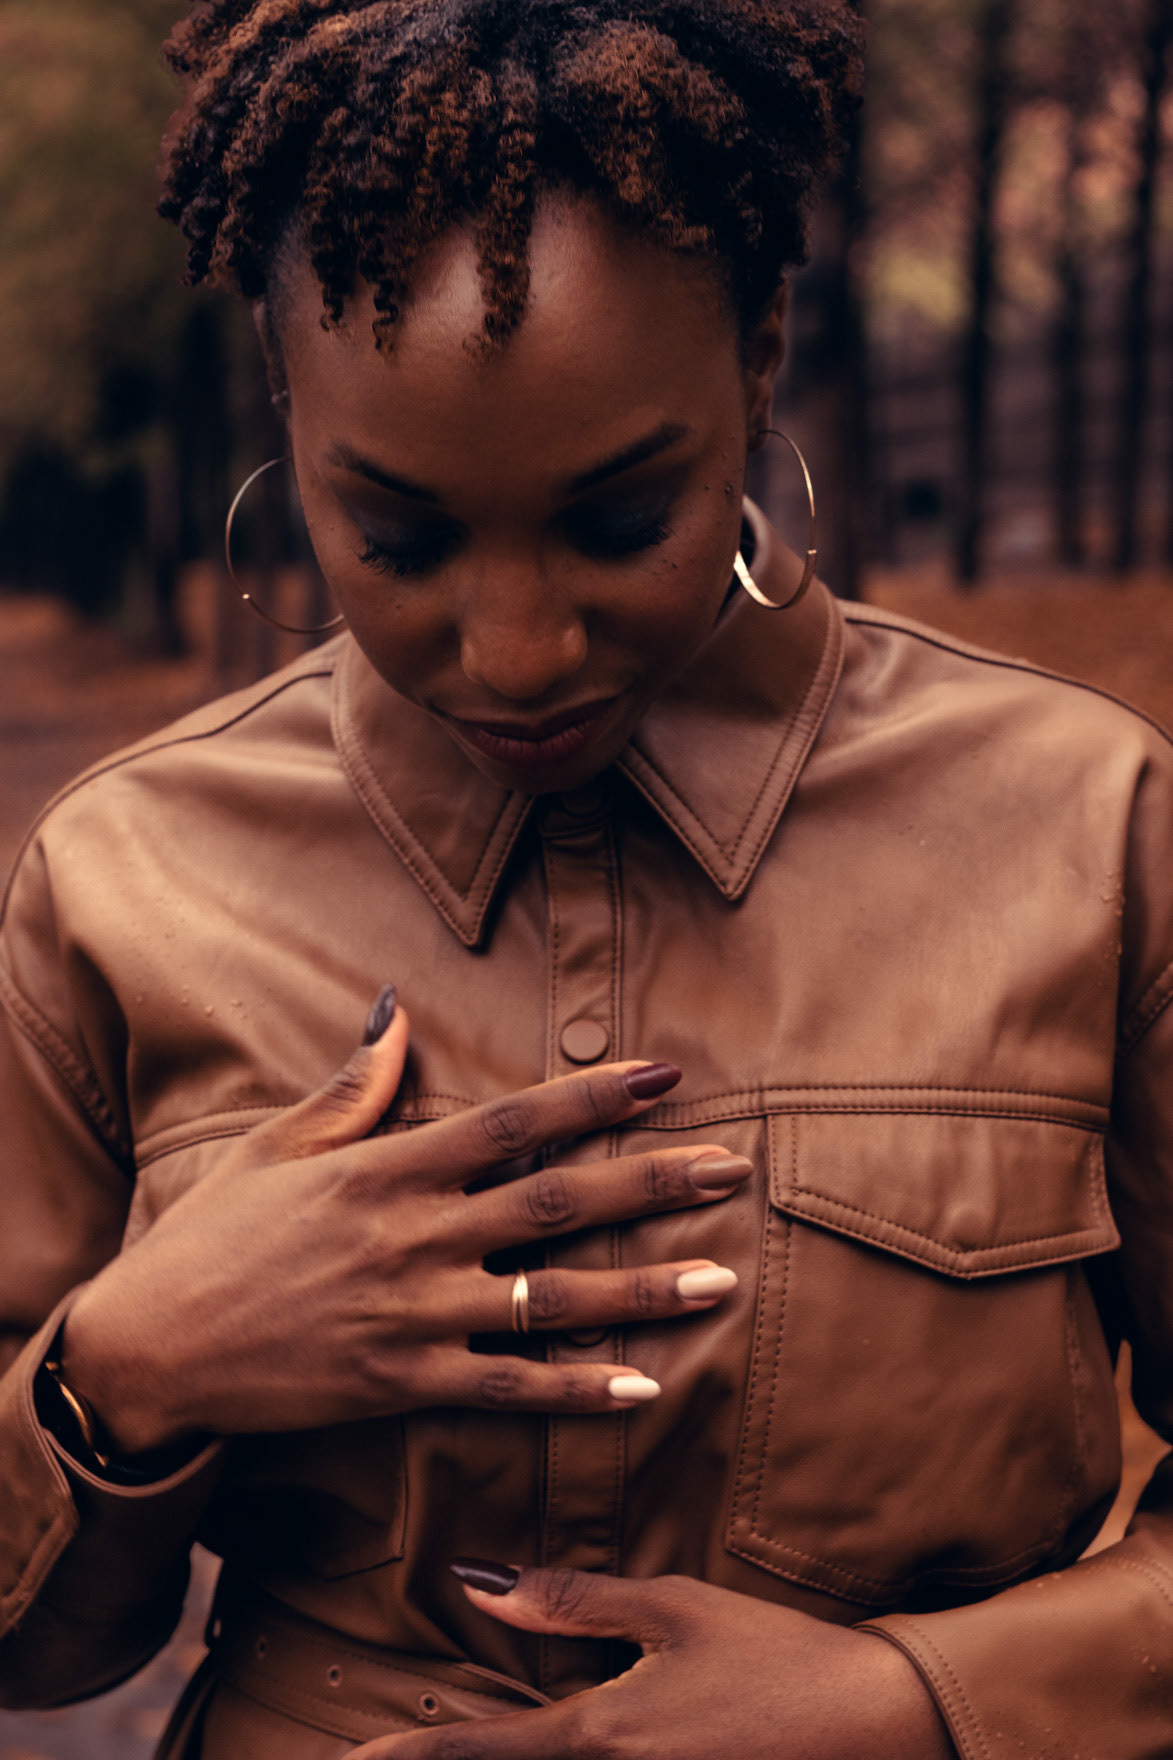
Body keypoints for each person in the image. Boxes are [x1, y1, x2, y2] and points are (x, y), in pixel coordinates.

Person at [0, 1, 1170, 1755]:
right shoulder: (124, 879)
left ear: (761, 350)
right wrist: (124, 1372)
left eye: (620, 519)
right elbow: (42, 1659)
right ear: (286, 408)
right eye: (396, 539)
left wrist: (912, 1702)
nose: (520, 647)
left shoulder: (1086, 825)